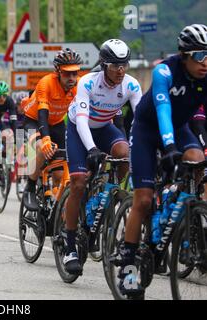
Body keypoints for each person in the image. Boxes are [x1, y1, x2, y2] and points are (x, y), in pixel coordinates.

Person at [122, 24, 207, 297]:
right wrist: (169, 146)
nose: (205, 62)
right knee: (144, 199)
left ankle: (195, 221)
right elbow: (163, 109)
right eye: (199, 55)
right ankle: (128, 265)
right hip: (149, 130)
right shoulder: (164, 71)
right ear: (184, 55)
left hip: (180, 128)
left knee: (198, 160)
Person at [64, 39, 142, 276]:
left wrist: (142, 147)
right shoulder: (87, 82)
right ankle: (69, 247)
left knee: (124, 154)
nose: (121, 70)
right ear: (104, 65)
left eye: (124, 64)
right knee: (78, 181)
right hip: (80, 128)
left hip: (105, 128)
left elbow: (140, 121)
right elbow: (83, 121)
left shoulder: (131, 85)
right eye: (115, 65)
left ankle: (113, 194)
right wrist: (91, 149)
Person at [22, 48, 82, 211]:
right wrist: (46, 138)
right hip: (34, 121)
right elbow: (42, 113)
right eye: (66, 73)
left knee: (58, 174)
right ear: (58, 72)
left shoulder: (78, 87)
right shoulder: (46, 83)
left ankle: (53, 206)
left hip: (56, 124)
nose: (71, 78)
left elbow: (81, 115)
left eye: (74, 73)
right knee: (43, 148)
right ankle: (30, 186)